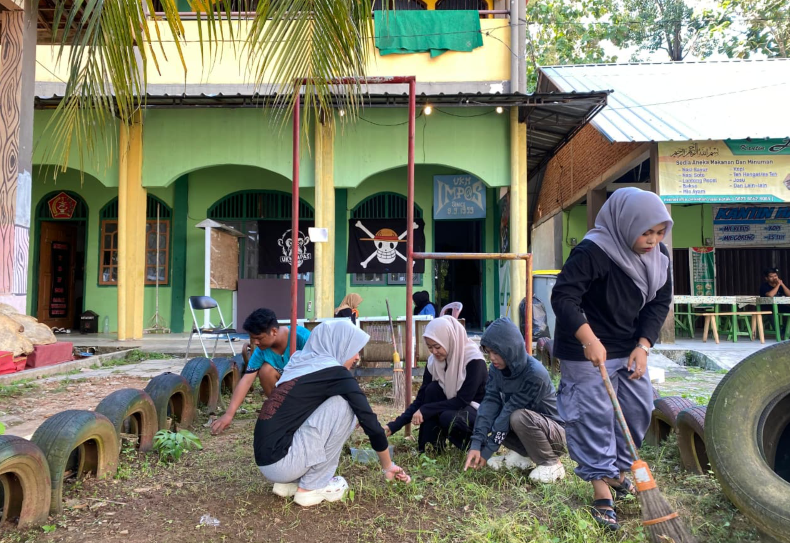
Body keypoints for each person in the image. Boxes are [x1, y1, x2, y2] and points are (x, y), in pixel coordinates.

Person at [551, 187, 672, 532]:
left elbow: (658, 303)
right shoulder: (593, 251)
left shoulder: (659, 256)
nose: (652, 240)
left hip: (629, 347)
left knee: (637, 410)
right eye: (645, 232)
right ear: (625, 223)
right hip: (586, 350)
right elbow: (564, 297)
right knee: (593, 416)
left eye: (659, 231)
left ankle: (620, 474)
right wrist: (588, 338)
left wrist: (644, 345)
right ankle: (602, 491)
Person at [255, 320, 410, 507]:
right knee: (346, 405)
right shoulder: (335, 372)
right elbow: (369, 420)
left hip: (268, 461)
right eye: (354, 349)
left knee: (338, 403)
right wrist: (387, 465)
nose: (357, 357)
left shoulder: (301, 363)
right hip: (283, 462)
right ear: (339, 345)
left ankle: (291, 483)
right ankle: (312, 487)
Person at [464, 318, 566, 484]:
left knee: (516, 416)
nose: (492, 358)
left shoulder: (534, 374)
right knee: (488, 413)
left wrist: (488, 450)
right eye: (489, 352)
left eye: (496, 352)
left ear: (510, 349)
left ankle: (551, 463)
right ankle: (523, 454)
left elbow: (510, 410)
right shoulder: (497, 370)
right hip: (526, 426)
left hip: (555, 434)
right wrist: (477, 444)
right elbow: (489, 402)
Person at [385, 316, 487, 452]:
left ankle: (476, 447)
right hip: (452, 406)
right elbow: (421, 399)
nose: (434, 352)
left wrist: (426, 410)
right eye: (430, 347)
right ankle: (431, 448)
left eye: (437, 347)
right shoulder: (434, 362)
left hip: (477, 412)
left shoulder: (473, 360)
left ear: (449, 340)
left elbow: (462, 400)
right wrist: (394, 425)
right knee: (432, 390)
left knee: (447, 417)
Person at [211, 308, 310, 435]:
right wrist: (229, 414)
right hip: (286, 389)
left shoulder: (302, 337)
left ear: (274, 331)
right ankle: (280, 411)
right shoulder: (261, 351)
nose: (256, 343)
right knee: (265, 371)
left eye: (259, 338)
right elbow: (246, 381)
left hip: (306, 384)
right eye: (253, 339)